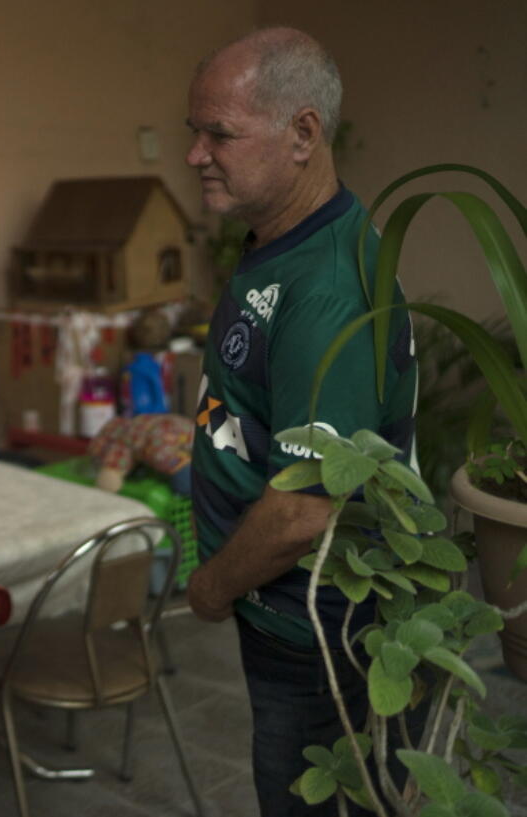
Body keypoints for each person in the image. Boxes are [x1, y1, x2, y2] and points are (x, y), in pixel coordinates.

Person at [183, 28, 418, 816]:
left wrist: (212, 588)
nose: (196, 154)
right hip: (286, 618)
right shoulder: (280, 241)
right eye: (195, 131)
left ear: (304, 134)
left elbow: (304, 508)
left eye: (219, 133)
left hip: (316, 634)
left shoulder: (327, 289)